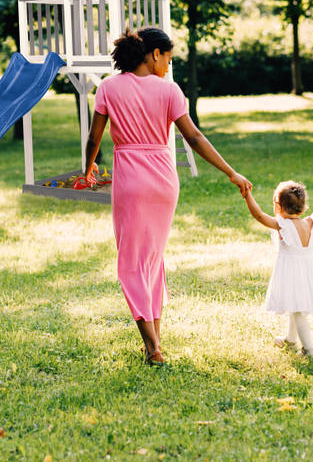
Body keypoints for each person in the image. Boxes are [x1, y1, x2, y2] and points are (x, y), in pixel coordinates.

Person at [84, 28, 251, 366]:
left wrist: (87, 170)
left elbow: (94, 138)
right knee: (152, 260)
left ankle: (152, 347)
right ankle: (155, 340)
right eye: (168, 59)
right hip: (163, 180)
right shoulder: (170, 91)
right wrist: (230, 171)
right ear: (154, 54)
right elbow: (194, 136)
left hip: (130, 179)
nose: (168, 66)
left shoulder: (108, 88)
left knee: (132, 262)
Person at [243, 180, 313, 358]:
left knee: (298, 312)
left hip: (292, 272)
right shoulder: (309, 222)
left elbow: (259, 215)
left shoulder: (282, 225)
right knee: (294, 304)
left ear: (279, 205)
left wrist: (247, 195)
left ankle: (308, 350)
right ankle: (290, 340)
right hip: (307, 271)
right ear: (303, 207)